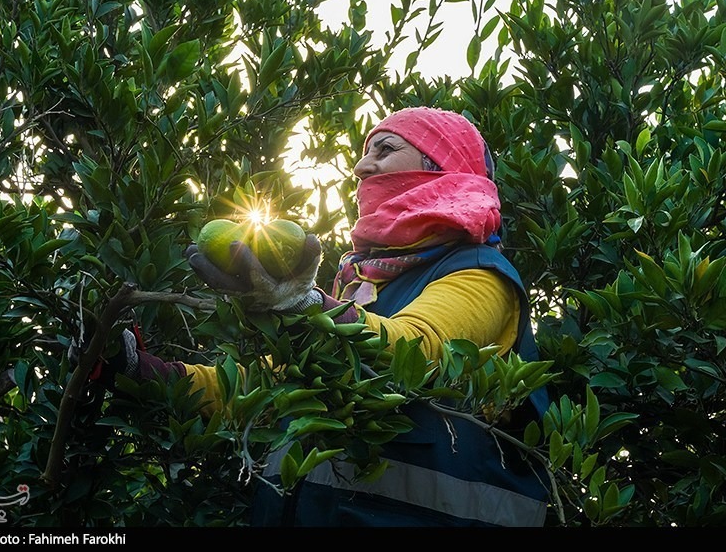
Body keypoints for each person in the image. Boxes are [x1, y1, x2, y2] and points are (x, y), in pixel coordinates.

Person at [102, 106, 550, 527]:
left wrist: (303, 305)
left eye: (386, 150)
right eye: (364, 154)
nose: (361, 169)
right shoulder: (362, 283)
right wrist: (146, 373)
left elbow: (417, 350)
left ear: (440, 167)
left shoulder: (480, 273)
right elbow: (268, 388)